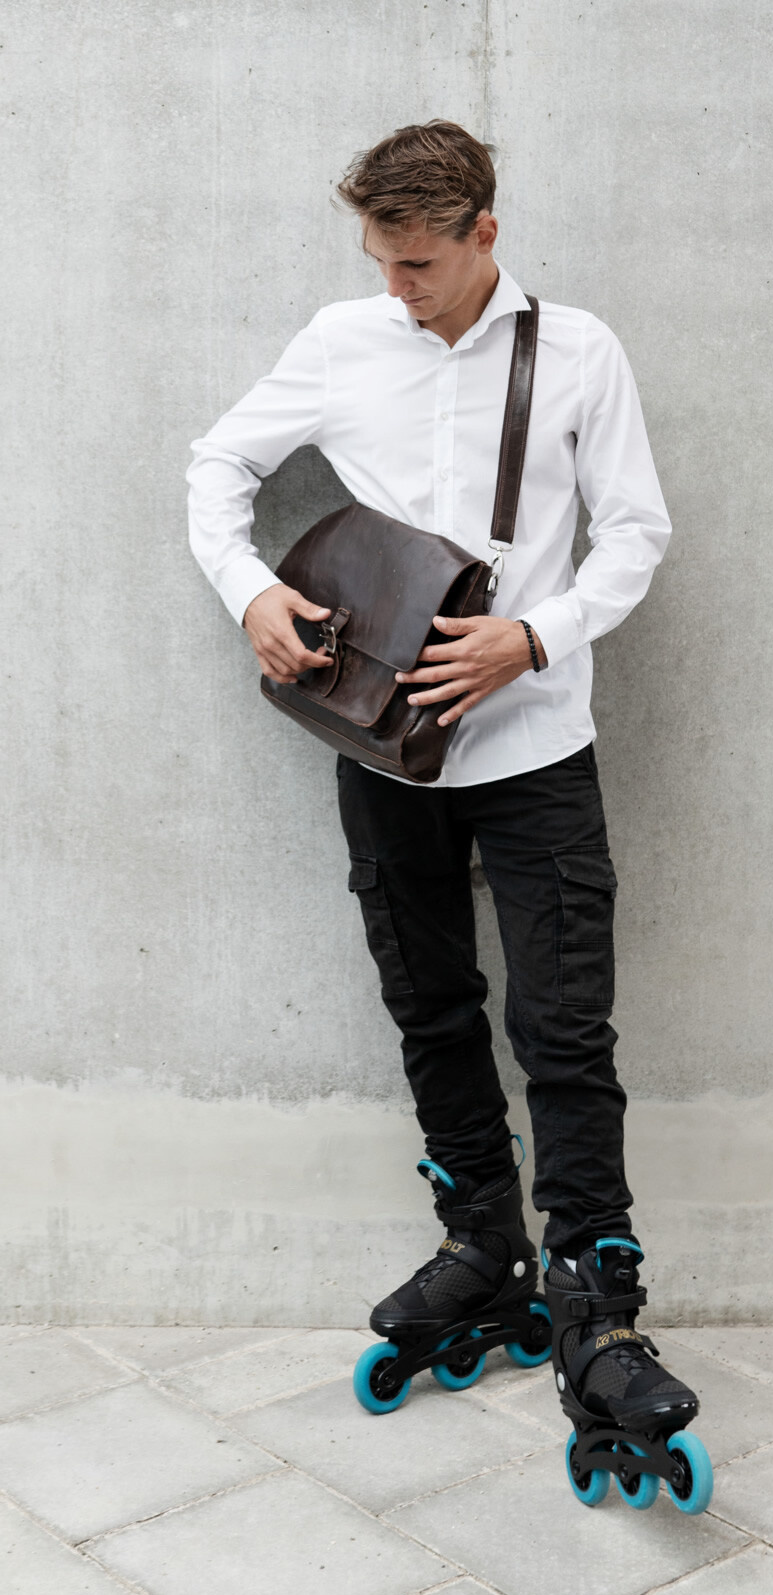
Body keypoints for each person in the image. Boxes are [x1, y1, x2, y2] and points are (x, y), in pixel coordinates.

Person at [187, 119, 703, 1476]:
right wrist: (251, 592)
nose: (396, 287)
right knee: (430, 1010)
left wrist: (534, 637)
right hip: (382, 752)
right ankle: (484, 1247)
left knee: (563, 1033)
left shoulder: (577, 351)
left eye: (416, 263)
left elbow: (636, 531)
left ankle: (598, 1307)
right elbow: (215, 468)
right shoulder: (341, 340)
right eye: (380, 260)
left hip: (537, 751)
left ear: (484, 234)